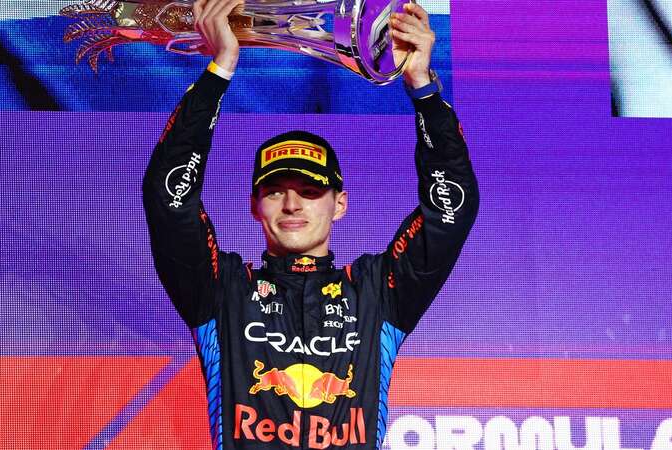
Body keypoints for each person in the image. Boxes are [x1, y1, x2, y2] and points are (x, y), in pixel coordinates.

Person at [141, 0, 479, 447]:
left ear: (339, 204)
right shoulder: (221, 291)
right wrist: (219, 70)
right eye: (276, 190)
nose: (292, 205)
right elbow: (169, 201)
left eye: (311, 191)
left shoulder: (378, 292)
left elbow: (450, 211)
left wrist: (424, 90)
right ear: (254, 205)